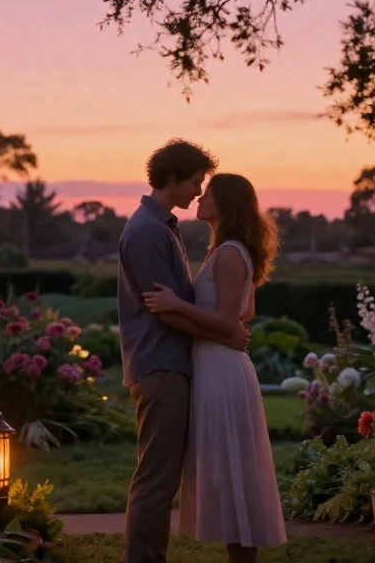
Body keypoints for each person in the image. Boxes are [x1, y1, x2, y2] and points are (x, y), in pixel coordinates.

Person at [143, 172, 288, 563]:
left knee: (232, 471)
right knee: (228, 471)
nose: (199, 198)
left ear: (225, 203)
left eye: (207, 193)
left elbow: (228, 320)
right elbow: (245, 313)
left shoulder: (228, 254)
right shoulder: (227, 251)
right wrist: (227, 328)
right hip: (218, 364)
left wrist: (177, 305)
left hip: (221, 370)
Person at [118, 139, 251, 563]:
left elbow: (178, 306)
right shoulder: (147, 231)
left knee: (161, 477)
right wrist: (225, 335)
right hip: (160, 365)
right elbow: (165, 312)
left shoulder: (164, 226)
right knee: (157, 479)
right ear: (172, 179)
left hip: (169, 363)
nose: (197, 191)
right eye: (194, 183)